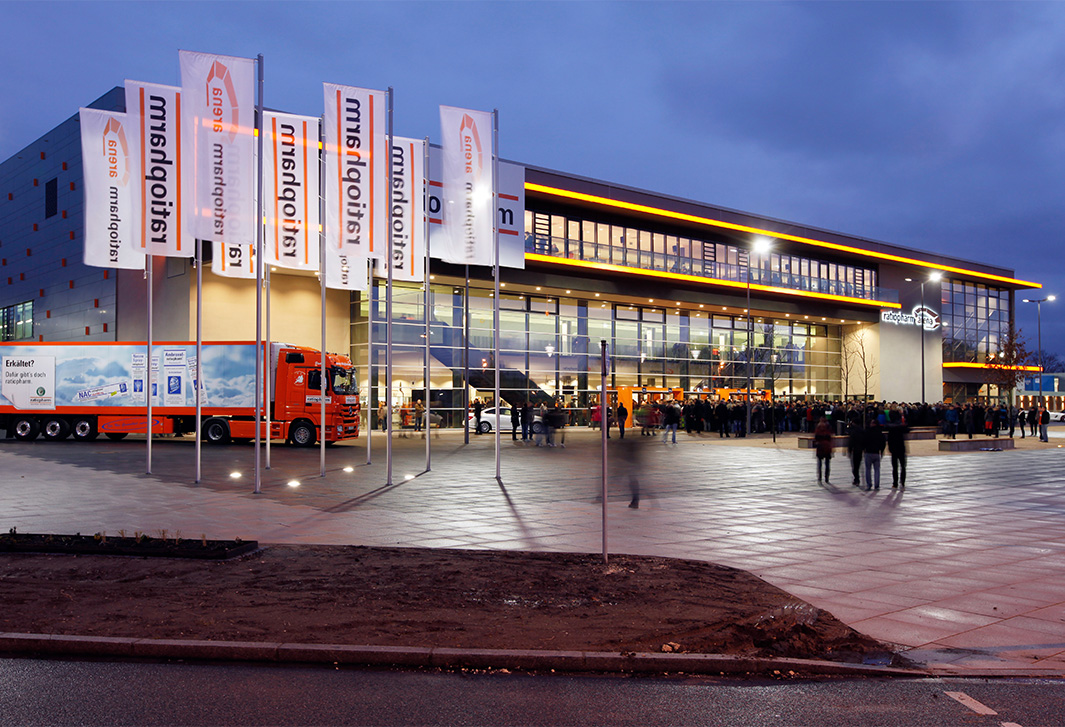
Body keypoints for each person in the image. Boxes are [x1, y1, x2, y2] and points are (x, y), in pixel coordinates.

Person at [886, 409, 909, 488]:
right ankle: (902, 481)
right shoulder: (900, 426)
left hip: (894, 448)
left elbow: (889, 438)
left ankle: (895, 483)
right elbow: (907, 429)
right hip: (901, 447)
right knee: (903, 466)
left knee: (895, 467)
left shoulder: (890, 427)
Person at [863, 418, 886, 491]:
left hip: (868, 452)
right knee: (877, 470)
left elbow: (864, 441)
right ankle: (877, 485)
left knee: (868, 469)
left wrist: (864, 449)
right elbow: (883, 443)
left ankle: (869, 484)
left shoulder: (867, 432)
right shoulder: (880, 433)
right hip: (876, 452)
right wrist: (881, 451)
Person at [813, 416, 833, 485]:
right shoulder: (828, 428)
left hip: (820, 447)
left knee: (820, 464)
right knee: (827, 463)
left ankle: (820, 478)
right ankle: (826, 478)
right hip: (827, 447)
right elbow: (830, 438)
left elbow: (816, 438)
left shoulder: (818, 428)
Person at [847, 416, 865, 487]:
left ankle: (856, 479)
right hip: (860, 449)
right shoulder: (862, 430)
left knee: (855, 465)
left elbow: (851, 441)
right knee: (858, 464)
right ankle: (857, 478)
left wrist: (849, 449)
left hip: (855, 449)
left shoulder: (853, 431)